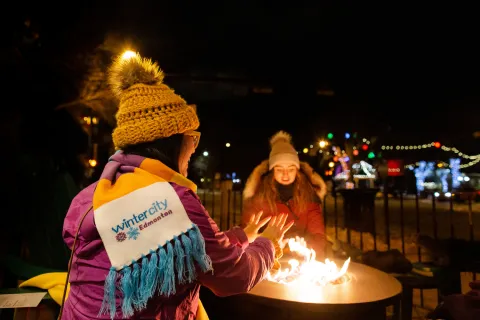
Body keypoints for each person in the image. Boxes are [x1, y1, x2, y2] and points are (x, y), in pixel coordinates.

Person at [61, 52, 293, 319]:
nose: (194, 148)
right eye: (191, 138)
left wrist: (244, 236)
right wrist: (269, 244)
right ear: (170, 142)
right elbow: (233, 276)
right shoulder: (171, 201)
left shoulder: (88, 198)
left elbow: (194, 249)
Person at [241, 131, 327, 259]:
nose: (285, 175)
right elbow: (247, 234)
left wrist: (302, 248)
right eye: (280, 169)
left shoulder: (309, 196)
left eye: (291, 169)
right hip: (267, 259)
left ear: (297, 171)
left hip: (302, 259)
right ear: (272, 171)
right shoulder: (259, 198)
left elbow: (318, 236)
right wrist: (270, 245)